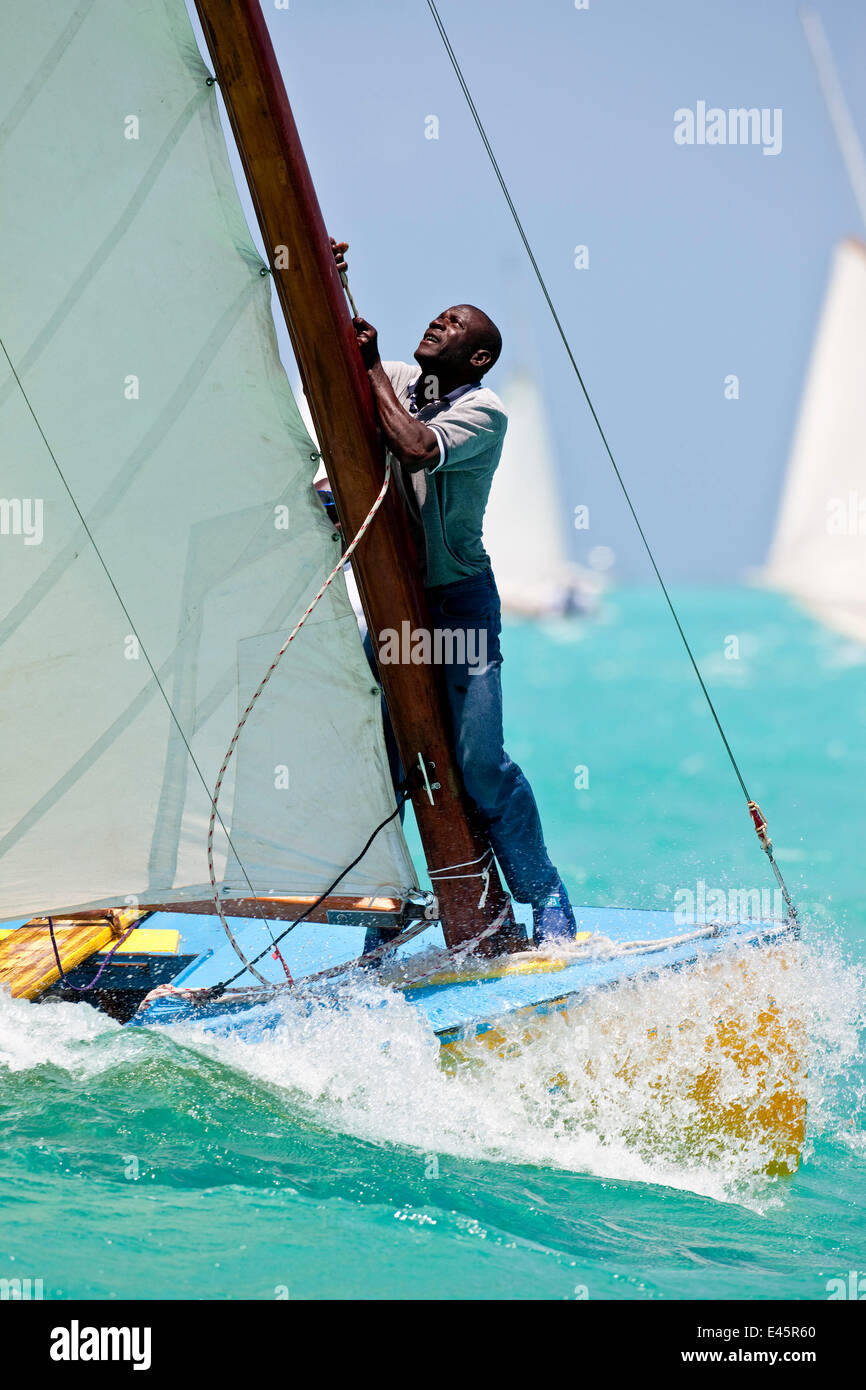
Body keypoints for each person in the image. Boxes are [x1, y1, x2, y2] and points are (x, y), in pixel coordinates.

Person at [328, 239, 576, 944]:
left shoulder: (484, 411)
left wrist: (371, 366)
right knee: (384, 769)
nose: (439, 322)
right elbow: (336, 349)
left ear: (478, 357)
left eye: (455, 323)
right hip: (392, 606)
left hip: (458, 603)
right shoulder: (399, 378)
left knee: (478, 766)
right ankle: (391, 913)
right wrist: (329, 274)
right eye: (438, 315)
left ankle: (544, 894)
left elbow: (413, 445)